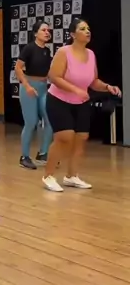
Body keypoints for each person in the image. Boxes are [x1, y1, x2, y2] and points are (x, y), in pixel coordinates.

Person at [42, 18, 121, 192]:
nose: (87, 31)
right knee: (65, 137)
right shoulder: (64, 52)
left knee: (81, 138)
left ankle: (71, 176)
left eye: (88, 28)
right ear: (72, 34)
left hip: (81, 102)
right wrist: (76, 90)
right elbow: (54, 77)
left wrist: (107, 87)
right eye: (83, 29)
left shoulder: (91, 55)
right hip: (58, 100)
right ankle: (48, 176)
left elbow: (93, 81)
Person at [15, 19, 53, 169]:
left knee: (50, 120)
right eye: (44, 30)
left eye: (48, 30)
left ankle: (43, 153)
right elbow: (18, 68)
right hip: (29, 87)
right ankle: (24, 157)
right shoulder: (29, 48)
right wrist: (27, 86)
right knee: (31, 122)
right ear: (36, 33)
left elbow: (47, 72)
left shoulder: (47, 51)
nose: (47, 32)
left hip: (43, 88)